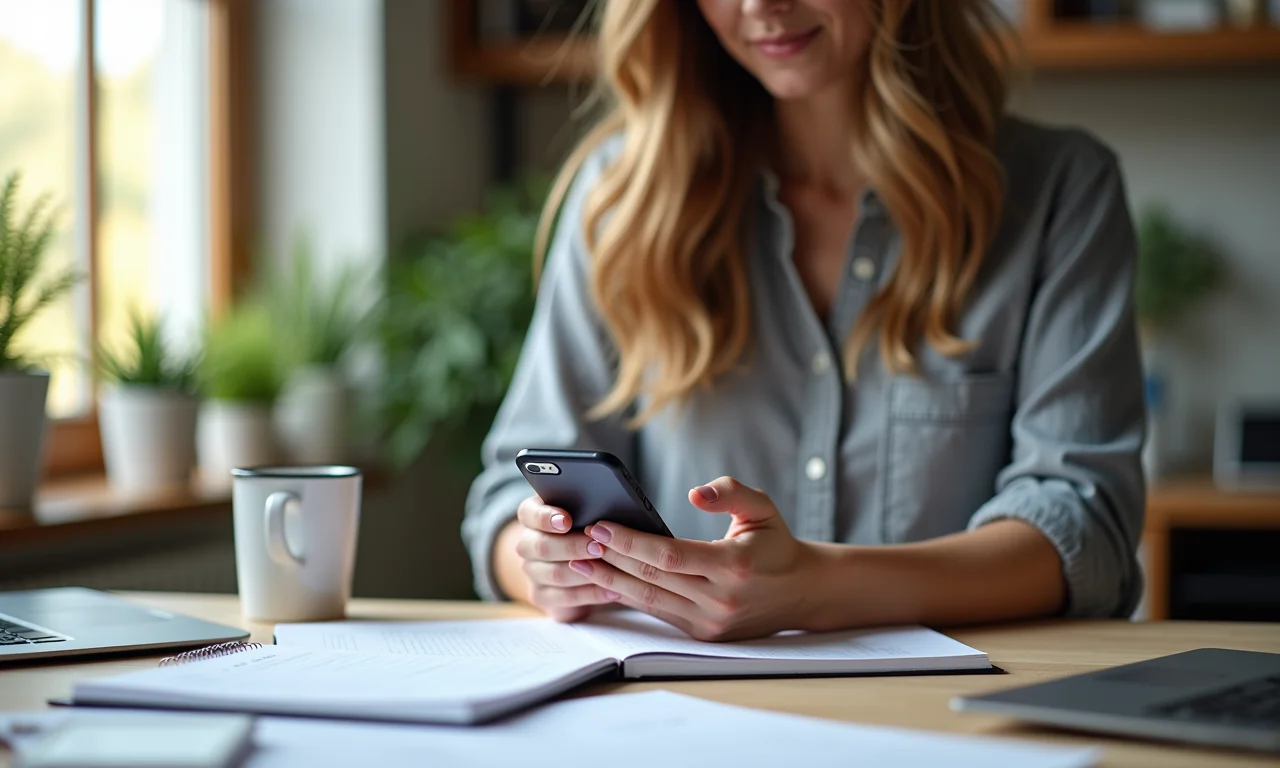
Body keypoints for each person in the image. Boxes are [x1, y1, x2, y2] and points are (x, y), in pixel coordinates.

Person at [462, 0, 1146, 642]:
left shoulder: (1059, 191)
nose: (761, 4)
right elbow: (504, 504)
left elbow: (1083, 529)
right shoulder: (624, 200)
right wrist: (549, 567)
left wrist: (816, 589)